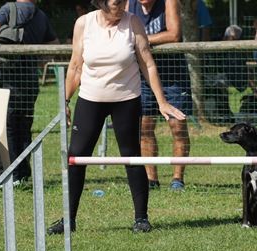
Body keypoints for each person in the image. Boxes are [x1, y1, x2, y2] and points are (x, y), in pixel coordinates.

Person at [47, 0, 186, 235]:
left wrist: (162, 101)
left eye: (123, 1)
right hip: (90, 98)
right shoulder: (84, 23)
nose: (121, 6)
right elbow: (75, 67)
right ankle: (68, 219)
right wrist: (65, 101)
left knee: (132, 157)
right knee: (76, 157)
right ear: (101, 3)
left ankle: (141, 218)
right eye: (115, 2)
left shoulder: (133, 23)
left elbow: (148, 64)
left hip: (126, 99)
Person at [0, 0, 59, 185]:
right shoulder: (40, 15)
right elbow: (53, 43)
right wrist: (39, 61)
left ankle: (9, 175)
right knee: (24, 127)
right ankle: (23, 174)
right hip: (30, 81)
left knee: (7, 126)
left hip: (9, 77)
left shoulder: (9, 8)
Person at [126, 0, 191, 191]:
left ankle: (177, 178)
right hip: (143, 74)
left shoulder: (169, 2)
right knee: (145, 126)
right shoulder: (131, 5)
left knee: (177, 126)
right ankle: (151, 179)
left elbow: (174, 34)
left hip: (173, 76)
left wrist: (141, 39)